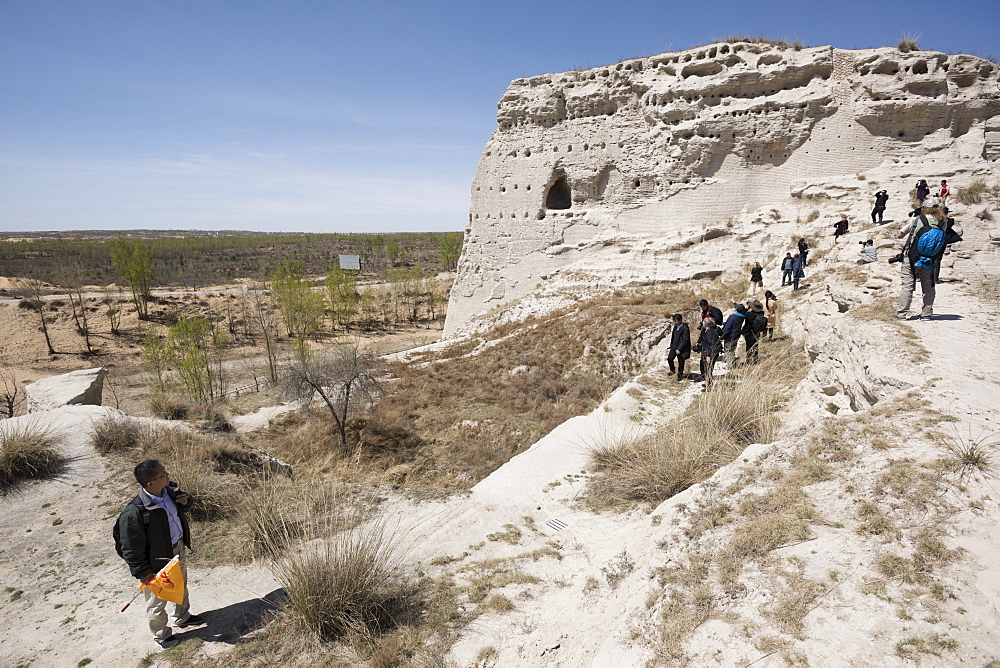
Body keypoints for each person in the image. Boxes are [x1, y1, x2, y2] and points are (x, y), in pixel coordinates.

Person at [116, 459, 204, 648]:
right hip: (155, 561)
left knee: (180, 585)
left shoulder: (170, 491)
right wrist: (144, 573)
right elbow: (130, 548)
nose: (167, 475)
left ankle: (182, 617)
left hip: (177, 548)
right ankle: (161, 636)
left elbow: (183, 506)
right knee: (157, 600)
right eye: (163, 474)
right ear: (151, 483)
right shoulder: (134, 512)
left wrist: (186, 500)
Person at [895, 206, 947, 319]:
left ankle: (902, 313)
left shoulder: (917, 219)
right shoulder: (942, 222)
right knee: (928, 285)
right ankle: (926, 313)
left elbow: (900, 235)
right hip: (930, 258)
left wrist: (912, 221)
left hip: (912, 256)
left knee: (907, 285)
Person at [695, 317, 722, 389]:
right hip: (710, 352)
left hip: (710, 353)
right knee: (708, 369)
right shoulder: (710, 331)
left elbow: (711, 345)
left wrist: (708, 355)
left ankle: (709, 386)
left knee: (708, 369)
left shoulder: (710, 333)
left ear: (705, 324)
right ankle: (708, 383)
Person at [720, 301, 746, 366]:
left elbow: (727, 327)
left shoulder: (733, 317)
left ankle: (731, 366)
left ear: (736, 310)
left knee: (728, 351)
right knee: (732, 349)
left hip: (730, 336)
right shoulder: (743, 316)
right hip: (737, 335)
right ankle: (733, 363)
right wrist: (734, 303)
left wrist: (721, 336)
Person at [666, 313, 691, 381]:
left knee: (681, 362)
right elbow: (673, 337)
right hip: (674, 346)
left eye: (676, 321)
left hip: (682, 348)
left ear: (680, 320)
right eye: (674, 320)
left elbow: (685, 340)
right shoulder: (675, 327)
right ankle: (672, 370)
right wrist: (672, 345)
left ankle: (680, 375)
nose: (674, 322)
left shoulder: (685, 328)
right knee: (670, 358)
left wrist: (679, 349)